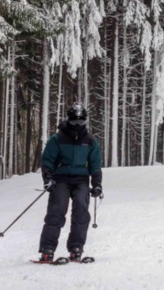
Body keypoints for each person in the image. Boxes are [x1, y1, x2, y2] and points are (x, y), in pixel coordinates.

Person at [38, 103, 103, 263]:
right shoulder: (58, 138)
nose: (77, 125)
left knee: (81, 210)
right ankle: (48, 248)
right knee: (57, 210)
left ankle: (76, 247)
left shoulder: (90, 140)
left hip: (81, 180)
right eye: (74, 122)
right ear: (68, 120)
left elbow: (95, 164)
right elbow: (48, 160)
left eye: (81, 122)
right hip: (61, 179)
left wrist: (97, 184)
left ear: (85, 122)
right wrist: (47, 178)